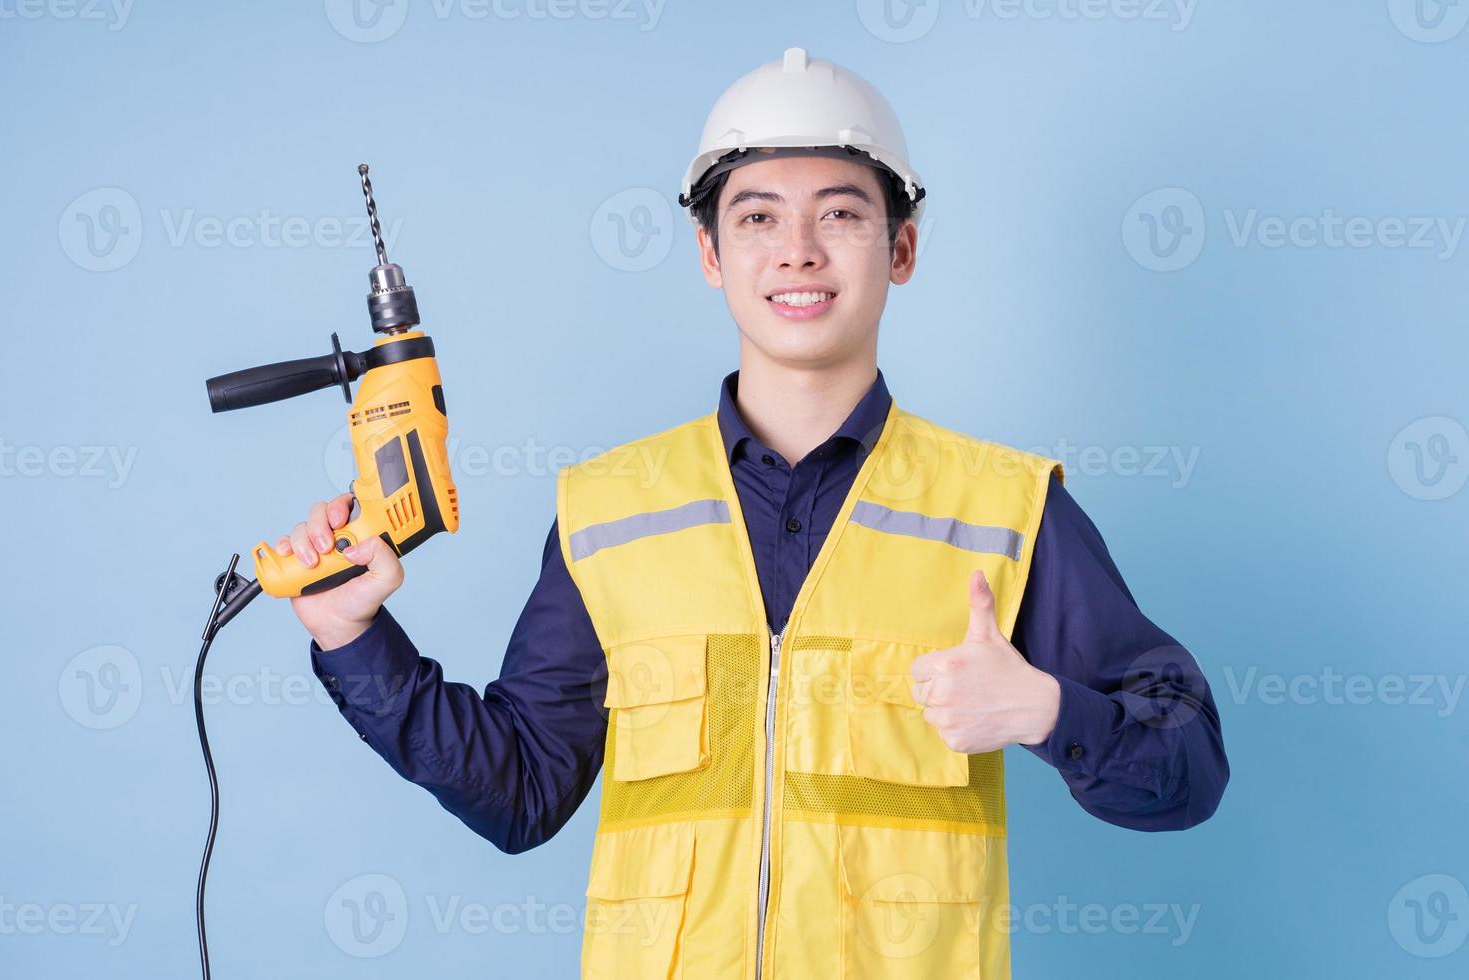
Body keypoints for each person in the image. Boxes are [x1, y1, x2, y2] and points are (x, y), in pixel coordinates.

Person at [272, 47, 1228, 980]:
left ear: (900, 248)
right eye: (757, 217)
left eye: (841, 215)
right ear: (709, 254)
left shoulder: (1006, 508)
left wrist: (1046, 708)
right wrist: (355, 638)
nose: (798, 250)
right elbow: (520, 793)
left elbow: (1187, 772)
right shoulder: (609, 512)